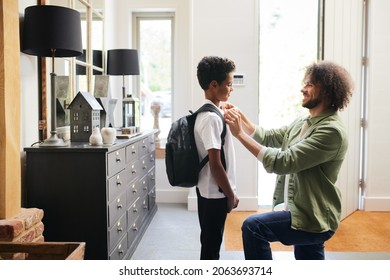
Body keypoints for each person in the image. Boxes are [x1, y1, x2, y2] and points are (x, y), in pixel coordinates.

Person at [224, 61, 353, 260]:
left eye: (309, 84)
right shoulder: (304, 120)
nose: (303, 88)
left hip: (312, 217)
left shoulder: (331, 131)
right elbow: (270, 137)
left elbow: (283, 162)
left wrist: (240, 134)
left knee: (253, 227)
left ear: (326, 91)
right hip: (302, 210)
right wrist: (240, 117)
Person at [195, 56, 240, 260]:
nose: (232, 89)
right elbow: (215, 165)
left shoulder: (207, 113)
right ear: (214, 85)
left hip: (206, 190)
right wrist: (230, 195)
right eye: (229, 84)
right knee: (211, 250)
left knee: (209, 243)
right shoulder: (211, 119)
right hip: (215, 194)